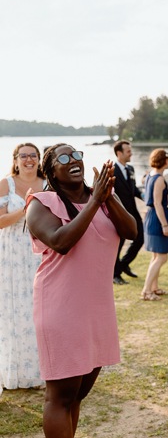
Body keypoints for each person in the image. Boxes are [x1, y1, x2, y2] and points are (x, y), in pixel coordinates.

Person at [25, 143, 137, 437]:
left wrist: (107, 198)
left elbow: (131, 231)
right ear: (50, 170)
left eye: (76, 155)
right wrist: (94, 201)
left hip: (97, 310)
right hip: (61, 309)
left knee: (77, 395)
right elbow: (61, 241)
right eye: (63, 157)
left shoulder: (101, 198)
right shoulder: (41, 202)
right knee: (60, 397)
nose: (73, 160)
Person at [0, 143, 45, 392]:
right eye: (24, 155)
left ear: (39, 160)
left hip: (41, 252)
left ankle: (41, 371)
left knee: (40, 310)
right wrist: (25, 209)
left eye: (33, 155)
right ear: (15, 160)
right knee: (15, 309)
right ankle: (17, 370)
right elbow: (0, 222)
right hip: (12, 254)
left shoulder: (48, 183)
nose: (29, 159)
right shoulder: (6, 183)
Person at [141, 149, 168, 301]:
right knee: (162, 257)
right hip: (157, 218)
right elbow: (158, 204)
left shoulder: (149, 175)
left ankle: (154, 287)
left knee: (156, 255)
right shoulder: (159, 179)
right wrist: (165, 225)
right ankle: (146, 291)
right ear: (165, 161)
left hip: (151, 216)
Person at [112, 140, 143, 285]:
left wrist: (144, 195)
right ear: (119, 153)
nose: (131, 153)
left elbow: (134, 189)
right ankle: (115, 274)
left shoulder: (130, 169)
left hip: (133, 211)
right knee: (118, 244)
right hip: (118, 214)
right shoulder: (111, 170)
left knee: (140, 238)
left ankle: (124, 264)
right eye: (128, 151)